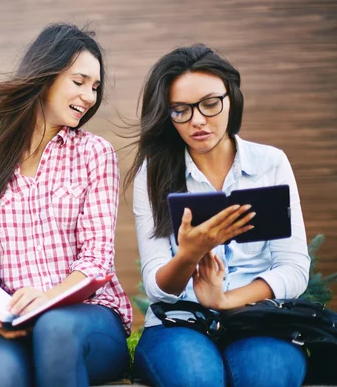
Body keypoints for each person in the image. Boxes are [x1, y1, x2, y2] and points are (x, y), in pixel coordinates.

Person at [0, 23, 133, 387]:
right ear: (44, 77)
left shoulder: (95, 155)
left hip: (88, 318)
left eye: (95, 87)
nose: (89, 96)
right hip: (6, 320)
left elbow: (96, 258)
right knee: (0, 375)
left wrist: (47, 300)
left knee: (54, 328)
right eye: (79, 81)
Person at [127, 44, 310, 387]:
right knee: (196, 379)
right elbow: (158, 287)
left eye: (210, 104)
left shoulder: (270, 164)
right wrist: (189, 254)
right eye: (180, 110)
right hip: (178, 323)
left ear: (231, 98)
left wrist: (226, 300)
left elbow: (295, 269)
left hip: (257, 319)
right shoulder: (153, 174)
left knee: (265, 376)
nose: (197, 120)